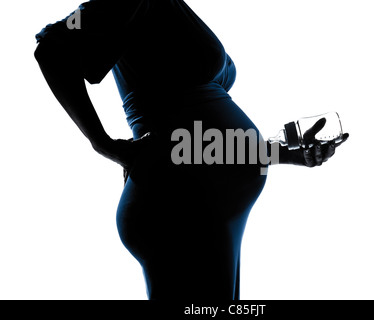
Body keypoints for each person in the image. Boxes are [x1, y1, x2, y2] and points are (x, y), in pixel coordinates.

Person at [34, 0, 348, 300]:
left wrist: (285, 152)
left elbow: (200, 143)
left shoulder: (165, 11)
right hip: (180, 206)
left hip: (205, 207)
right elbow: (51, 49)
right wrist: (105, 145)